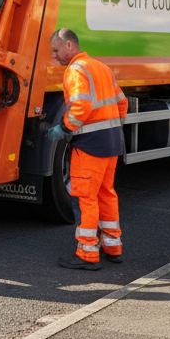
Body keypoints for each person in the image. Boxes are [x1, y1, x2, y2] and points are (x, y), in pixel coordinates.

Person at [46, 28, 128, 270]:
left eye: (56, 50)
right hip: (112, 143)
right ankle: (113, 247)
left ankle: (87, 253)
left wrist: (62, 128)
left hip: (90, 146)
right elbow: (122, 103)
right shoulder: (102, 67)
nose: (54, 56)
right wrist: (111, 128)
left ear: (69, 45)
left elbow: (81, 108)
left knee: (85, 198)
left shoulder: (76, 70)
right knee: (106, 193)